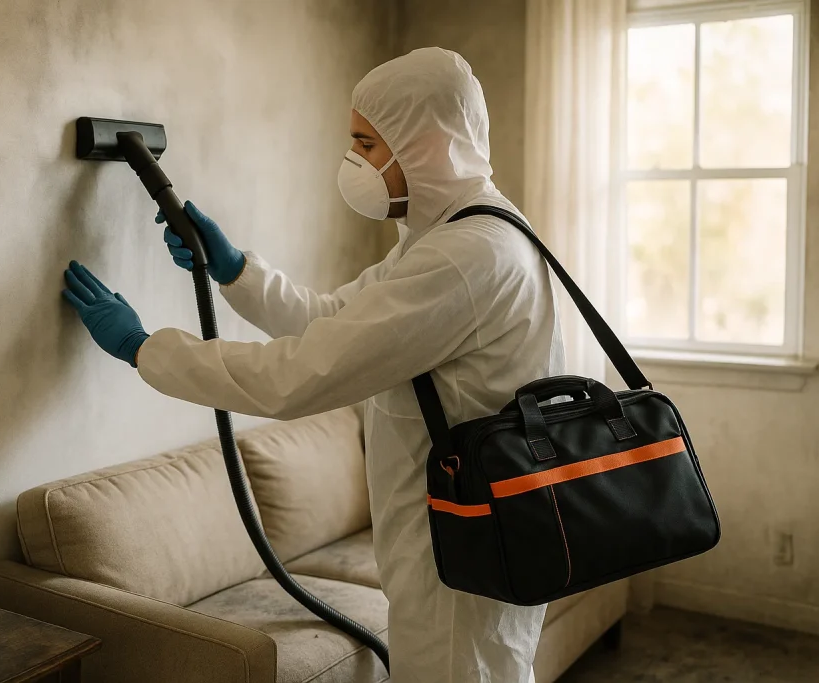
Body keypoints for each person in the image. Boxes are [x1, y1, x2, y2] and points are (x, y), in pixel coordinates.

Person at [63, 47, 563, 683]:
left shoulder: (465, 257)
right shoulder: (460, 233)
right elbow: (333, 320)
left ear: (427, 145)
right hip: (460, 538)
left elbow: (299, 374)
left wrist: (144, 347)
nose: (352, 162)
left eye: (366, 143)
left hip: (461, 555)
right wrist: (236, 269)